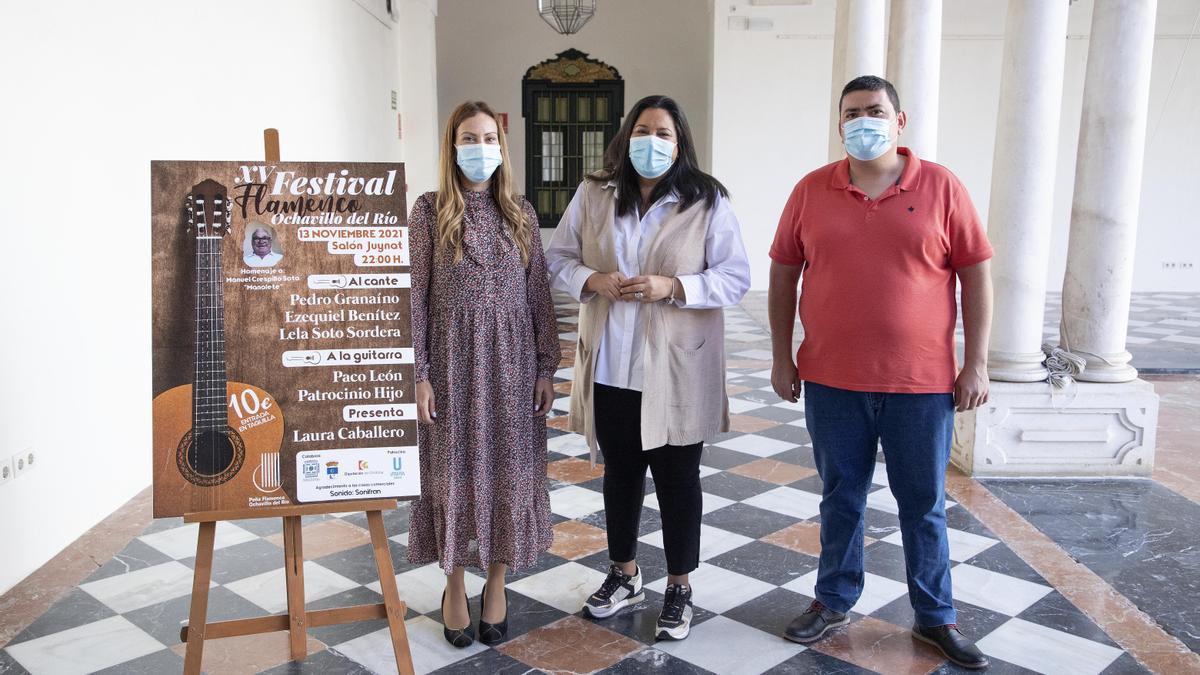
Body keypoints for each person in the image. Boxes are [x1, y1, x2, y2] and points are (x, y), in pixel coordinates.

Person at [767, 75, 993, 670]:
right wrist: (779, 354)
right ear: (838, 122)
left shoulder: (941, 187)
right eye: (851, 113)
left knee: (924, 502)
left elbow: (975, 274)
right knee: (842, 497)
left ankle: (936, 615)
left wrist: (978, 362)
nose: (862, 121)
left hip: (921, 383)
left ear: (900, 120)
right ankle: (833, 599)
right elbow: (785, 273)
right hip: (833, 380)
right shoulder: (811, 190)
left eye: (874, 111)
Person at [546, 94, 751, 642]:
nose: (651, 142)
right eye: (643, 130)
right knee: (620, 475)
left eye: (663, 133)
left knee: (678, 480)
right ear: (626, 135)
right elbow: (556, 258)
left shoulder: (706, 200)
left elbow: (735, 277)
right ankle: (624, 573)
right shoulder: (595, 193)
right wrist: (592, 280)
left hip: (676, 367)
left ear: (679, 142)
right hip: (612, 362)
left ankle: (679, 585)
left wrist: (675, 287)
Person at [406, 100, 560, 648]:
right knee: (452, 473)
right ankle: (452, 584)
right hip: (451, 367)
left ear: (503, 146)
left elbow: (539, 292)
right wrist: (418, 374)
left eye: (488, 139)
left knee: (508, 473)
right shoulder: (428, 211)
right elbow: (415, 300)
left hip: (513, 370)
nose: (480, 149)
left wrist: (547, 365)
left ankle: (496, 583)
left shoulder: (519, 210)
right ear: (452, 146)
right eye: (468, 139)